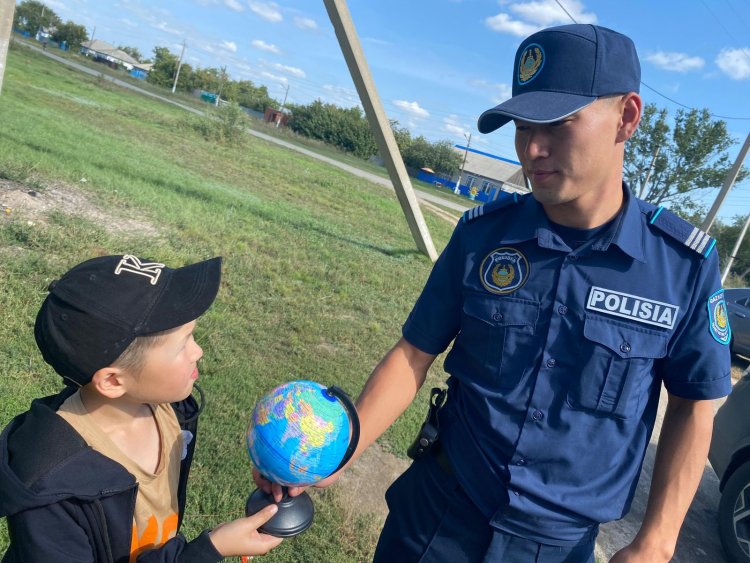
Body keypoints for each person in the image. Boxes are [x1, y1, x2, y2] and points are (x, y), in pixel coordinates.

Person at [259, 23, 733, 562]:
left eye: (557, 122)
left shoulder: (681, 266)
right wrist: (340, 451)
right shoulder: (484, 235)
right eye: (522, 126)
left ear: (626, 117)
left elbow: (695, 406)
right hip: (439, 519)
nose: (532, 147)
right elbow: (414, 354)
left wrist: (656, 542)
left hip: (556, 546)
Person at [0, 254, 283, 562]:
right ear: (111, 381)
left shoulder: (169, 409)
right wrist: (206, 551)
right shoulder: (51, 493)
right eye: (183, 343)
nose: (198, 351)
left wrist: (274, 468)